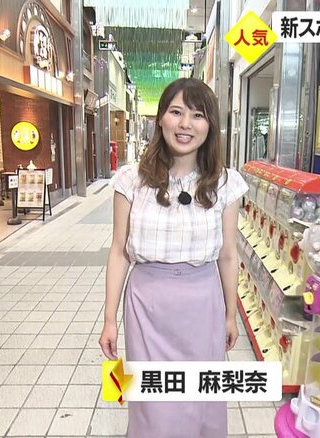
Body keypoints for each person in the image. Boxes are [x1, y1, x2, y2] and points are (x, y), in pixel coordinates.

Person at [99, 78, 248, 438]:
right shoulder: (131, 180)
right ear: (160, 119)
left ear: (210, 125)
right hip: (146, 304)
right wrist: (108, 319)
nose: (185, 124)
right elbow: (118, 251)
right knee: (150, 401)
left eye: (197, 115)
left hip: (203, 304)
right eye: (176, 112)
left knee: (201, 395)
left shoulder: (226, 183)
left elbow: (228, 255)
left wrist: (230, 315)